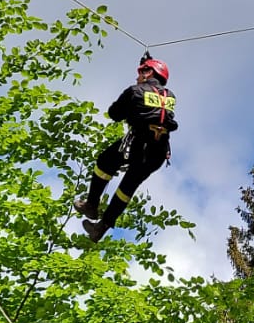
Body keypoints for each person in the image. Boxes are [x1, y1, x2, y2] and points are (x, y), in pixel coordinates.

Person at [74, 56, 178, 242]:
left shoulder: (135, 91)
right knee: (127, 187)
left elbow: (114, 114)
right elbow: (156, 110)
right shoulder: (170, 96)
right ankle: (101, 228)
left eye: (140, 73)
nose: (137, 77)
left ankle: (91, 204)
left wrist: (130, 108)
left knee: (104, 163)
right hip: (158, 153)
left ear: (148, 73)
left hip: (138, 144)